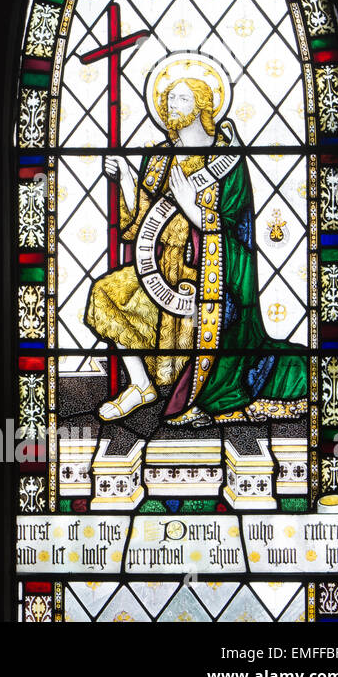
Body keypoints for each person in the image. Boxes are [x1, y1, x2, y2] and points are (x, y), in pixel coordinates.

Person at [86, 54, 306, 426]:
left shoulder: (228, 161)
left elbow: (239, 231)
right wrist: (124, 177)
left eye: (183, 98)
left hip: (208, 279)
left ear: (204, 105)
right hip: (158, 269)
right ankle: (141, 386)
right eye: (170, 98)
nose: (173, 104)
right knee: (105, 292)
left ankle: (200, 386)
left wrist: (194, 211)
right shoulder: (157, 160)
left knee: (197, 318)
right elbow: (140, 224)